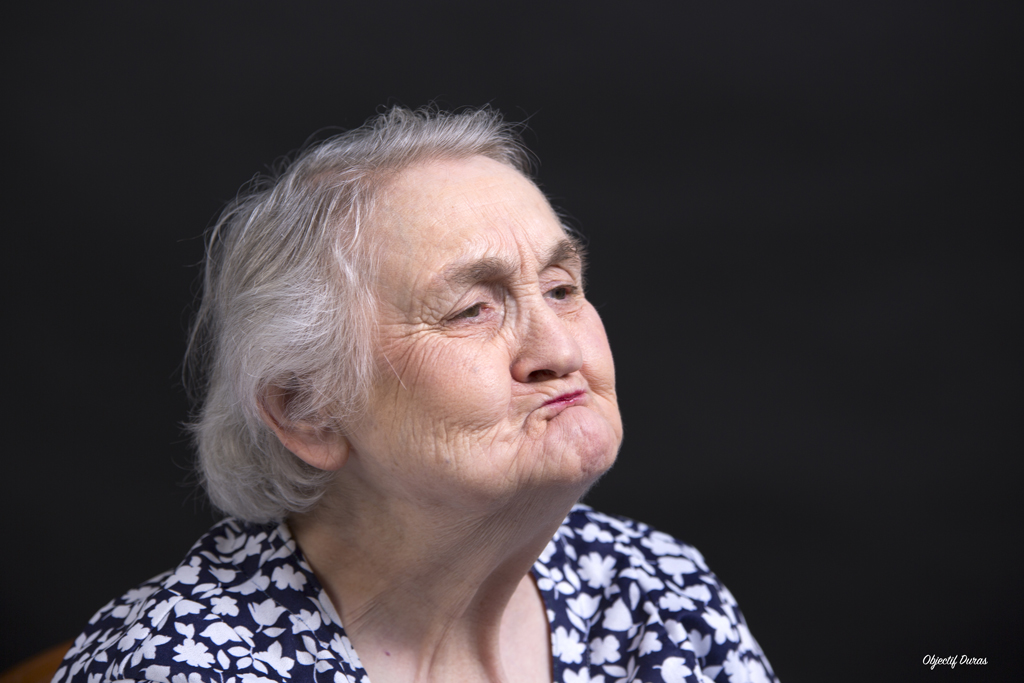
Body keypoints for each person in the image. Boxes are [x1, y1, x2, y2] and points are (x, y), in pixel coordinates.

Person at [55, 107, 777, 683]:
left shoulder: (655, 590)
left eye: (561, 289)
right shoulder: (180, 665)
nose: (559, 352)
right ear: (309, 410)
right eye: (471, 310)